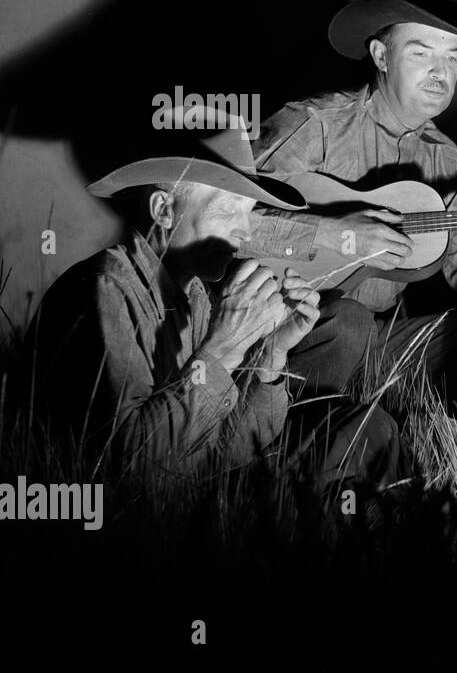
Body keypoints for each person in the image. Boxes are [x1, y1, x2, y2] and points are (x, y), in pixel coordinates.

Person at [19, 126, 402, 492]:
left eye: (248, 212)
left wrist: (271, 356)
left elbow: (221, 454)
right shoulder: (105, 289)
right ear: (164, 210)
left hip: (191, 488)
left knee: (364, 423)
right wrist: (223, 348)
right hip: (125, 519)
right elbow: (130, 472)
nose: (246, 233)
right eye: (225, 210)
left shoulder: (197, 295)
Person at [245, 0, 457, 402]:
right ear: (380, 56)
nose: (440, 72)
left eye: (452, 57)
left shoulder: (447, 159)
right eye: (421, 52)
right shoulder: (313, 125)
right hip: (280, 329)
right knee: (348, 321)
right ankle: (279, 428)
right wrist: (337, 233)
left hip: (379, 342)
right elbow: (222, 226)